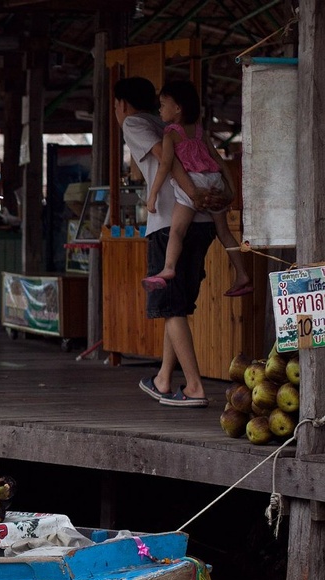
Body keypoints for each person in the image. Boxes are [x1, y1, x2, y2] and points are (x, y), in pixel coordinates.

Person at [114, 77, 216, 408]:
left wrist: (191, 192)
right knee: (179, 307)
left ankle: (195, 387)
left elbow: (166, 159)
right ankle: (162, 377)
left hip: (170, 222)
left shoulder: (133, 122)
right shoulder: (172, 121)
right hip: (201, 223)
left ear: (123, 105)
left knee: (170, 306)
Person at [143, 80, 251, 297]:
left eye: (163, 104)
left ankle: (169, 268)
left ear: (178, 108)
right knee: (224, 232)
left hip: (193, 183)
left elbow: (165, 165)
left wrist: (153, 194)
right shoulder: (200, 132)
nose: (160, 109)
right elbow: (218, 160)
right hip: (214, 180)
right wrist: (229, 188)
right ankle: (242, 274)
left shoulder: (170, 134)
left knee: (177, 230)